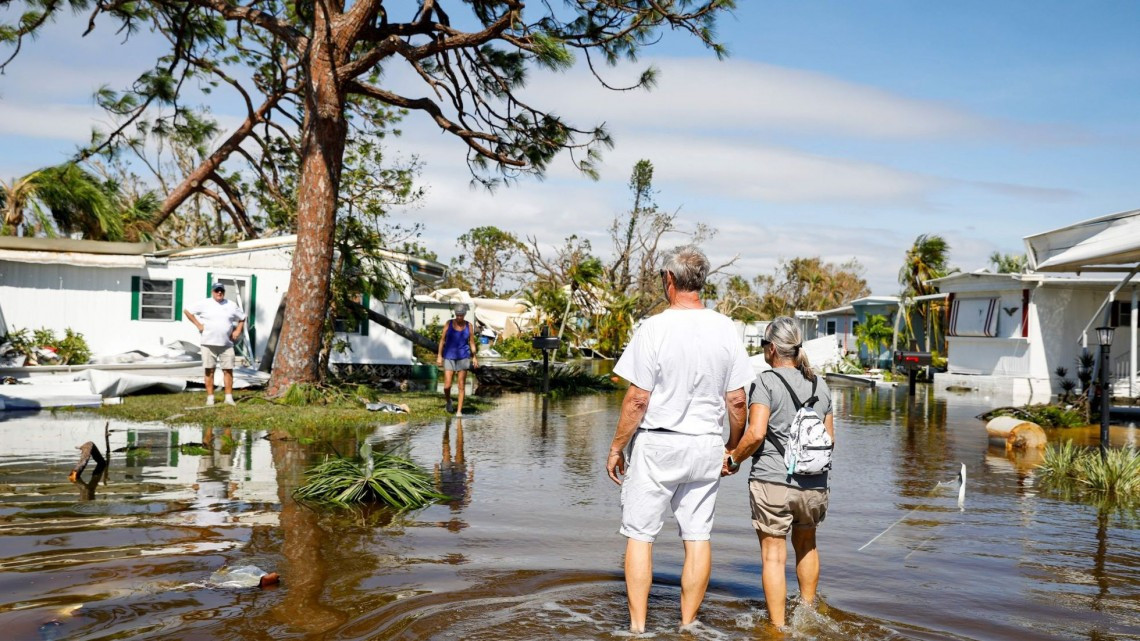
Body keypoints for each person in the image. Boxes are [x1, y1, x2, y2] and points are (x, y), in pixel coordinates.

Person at [605, 246, 753, 633]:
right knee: (698, 535)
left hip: (658, 444)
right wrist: (732, 448)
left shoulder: (653, 328)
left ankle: (638, 628)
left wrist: (617, 447)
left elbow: (638, 399)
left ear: (669, 280)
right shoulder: (726, 328)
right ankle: (688, 625)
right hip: (706, 444)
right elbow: (737, 400)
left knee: (640, 535)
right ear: (701, 281)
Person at [723, 316, 835, 630]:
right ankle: (808, 615)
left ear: (772, 349)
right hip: (815, 485)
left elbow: (756, 433)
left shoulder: (766, 382)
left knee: (773, 555)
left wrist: (733, 459)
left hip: (773, 481)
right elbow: (831, 439)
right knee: (807, 545)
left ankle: (778, 628)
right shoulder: (820, 384)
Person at [184, 282, 246, 406]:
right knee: (209, 371)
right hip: (208, 343)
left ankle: (228, 398)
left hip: (226, 344)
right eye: (217, 290)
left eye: (221, 291)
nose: (219, 293)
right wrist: (198, 325)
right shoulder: (205, 303)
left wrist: (238, 330)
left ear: (224, 292)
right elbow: (187, 311)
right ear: (212, 291)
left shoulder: (231, 305)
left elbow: (242, 317)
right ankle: (210, 398)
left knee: (228, 371)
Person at [436, 304, 478, 415]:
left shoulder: (469, 326)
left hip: (463, 357)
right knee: (447, 386)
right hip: (449, 356)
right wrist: (439, 355)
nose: (459, 317)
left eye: (461, 315)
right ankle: (448, 401)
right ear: (455, 314)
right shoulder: (448, 324)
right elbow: (442, 340)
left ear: (464, 314)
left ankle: (459, 411)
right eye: (457, 315)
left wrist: (474, 357)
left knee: (461, 385)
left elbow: (472, 342)